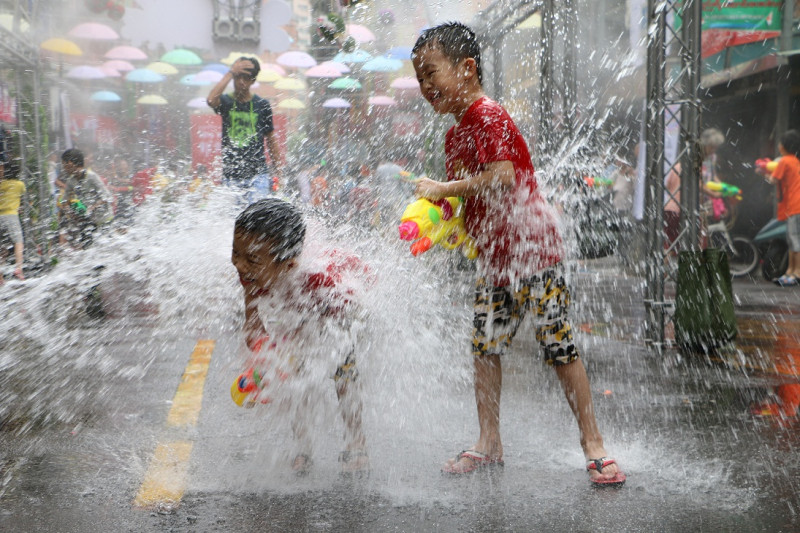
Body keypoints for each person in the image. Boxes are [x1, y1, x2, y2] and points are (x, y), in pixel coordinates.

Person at [410, 22, 625, 485]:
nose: (425, 87)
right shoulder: (455, 135)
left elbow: (503, 176)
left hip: (534, 251)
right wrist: (443, 218)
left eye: (431, 73)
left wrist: (444, 187)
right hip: (496, 258)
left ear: (467, 68)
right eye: (419, 79)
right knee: (485, 348)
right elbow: (471, 196)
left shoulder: (488, 116)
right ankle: (489, 441)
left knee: (559, 346)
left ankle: (594, 443)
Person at [231, 197, 371, 475]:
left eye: (251, 259)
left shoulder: (321, 281)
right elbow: (253, 327)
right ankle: (303, 448)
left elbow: (354, 315)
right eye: (235, 253)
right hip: (299, 307)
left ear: (288, 265)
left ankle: (356, 442)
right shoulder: (252, 273)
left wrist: (314, 344)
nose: (240, 265)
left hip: (341, 310)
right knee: (293, 373)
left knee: (344, 372)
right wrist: (267, 364)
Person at [206, 57, 282, 195]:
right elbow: (211, 100)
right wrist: (230, 72)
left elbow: (271, 139)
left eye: (246, 78)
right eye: (238, 77)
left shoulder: (262, 105)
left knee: (258, 215)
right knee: (233, 216)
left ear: (253, 80)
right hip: (231, 176)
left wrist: (278, 171)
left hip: (258, 175)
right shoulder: (226, 101)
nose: (241, 82)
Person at [760, 129, 800, 286]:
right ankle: (790, 271)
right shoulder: (795, 161)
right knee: (791, 240)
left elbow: (773, 180)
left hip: (795, 206)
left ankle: (796, 272)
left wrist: (763, 173)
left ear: (783, 146)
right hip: (794, 205)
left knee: (795, 240)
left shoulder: (784, 161)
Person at [58, 148, 113, 249]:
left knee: (107, 249)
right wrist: (71, 214)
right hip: (89, 222)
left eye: (64, 164)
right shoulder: (71, 181)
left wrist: (92, 208)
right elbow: (64, 202)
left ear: (70, 163)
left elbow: (108, 197)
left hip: (105, 220)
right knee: (88, 249)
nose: (64, 168)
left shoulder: (92, 177)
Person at [0, 158, 26, 281]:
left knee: (2, 247)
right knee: (18, 241)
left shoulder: (1, 184)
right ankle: (18, 269)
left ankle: (0, 276)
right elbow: (22, 198)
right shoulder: (19, 184)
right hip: (11, 215)